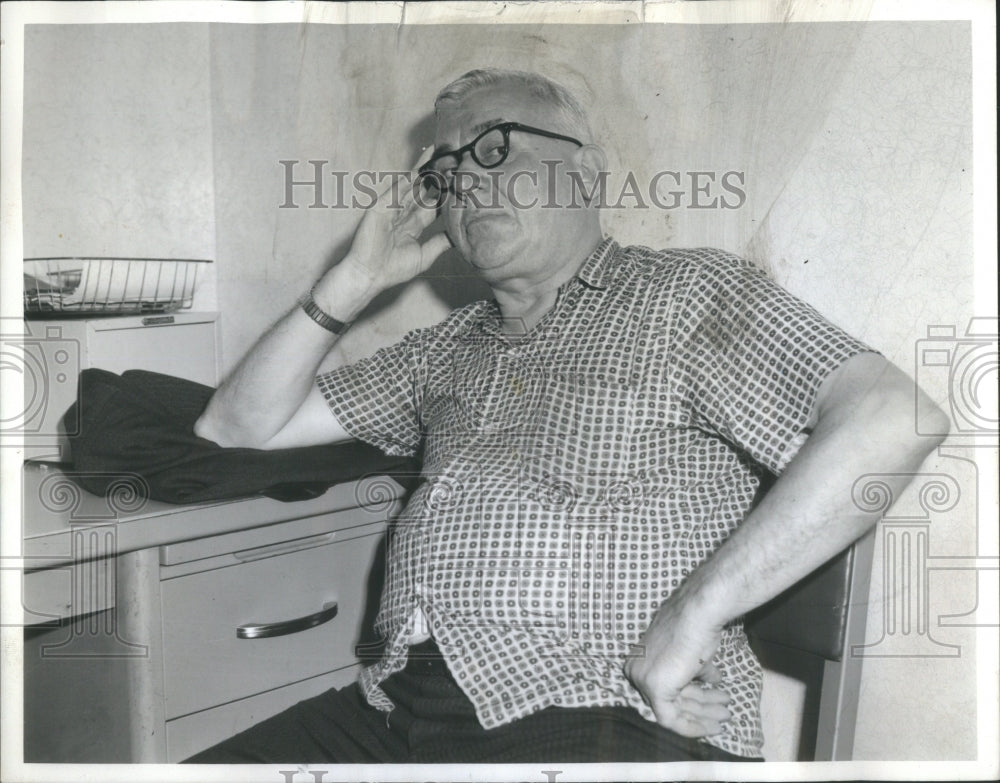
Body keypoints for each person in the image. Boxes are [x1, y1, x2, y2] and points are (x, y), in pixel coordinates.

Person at [189, 68, 948, 763]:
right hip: (392, 709)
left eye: (494, 150)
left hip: (598, 708)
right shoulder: (444, 346)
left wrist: (693, 614)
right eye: (446, 171)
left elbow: (892, 415)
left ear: (584, 172)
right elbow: (237, 425)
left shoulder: (684, 297)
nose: (464, 185)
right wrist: (352, 282)